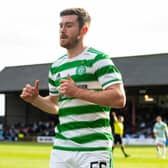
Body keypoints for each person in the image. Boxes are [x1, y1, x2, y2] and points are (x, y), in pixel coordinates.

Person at [20, 8, 126, 168]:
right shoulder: (56, 66)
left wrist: (77, 92)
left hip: (94, 148)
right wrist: (36, 100)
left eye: (68, 25)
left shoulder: (99, 60)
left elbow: (119, 98)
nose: (62, 30)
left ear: (83, 30)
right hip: (62, 149)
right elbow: (56, 105)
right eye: (60, 26)